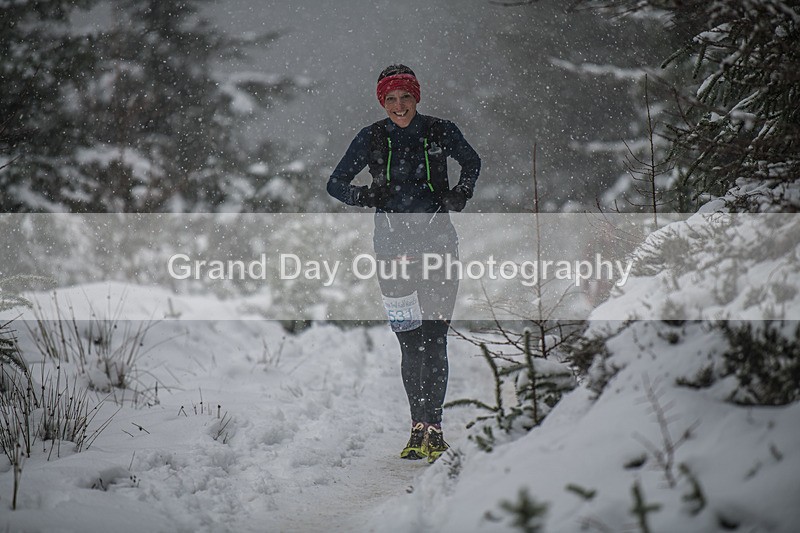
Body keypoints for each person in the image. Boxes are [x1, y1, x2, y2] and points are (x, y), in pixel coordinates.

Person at [327, 64, 481, 462]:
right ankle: (417, 427)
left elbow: (472, 162)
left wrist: (461, 192)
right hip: (391, 250)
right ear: (383, 101)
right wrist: (365, 196)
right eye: (391, 99)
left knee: (436, 339)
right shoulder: (372, 137)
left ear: (417, 97)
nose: (399, 106)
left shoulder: (440, 130)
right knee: (411, 342)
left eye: (406, 97)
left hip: (438, 245)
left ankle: (435, 429)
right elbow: (335, 183)